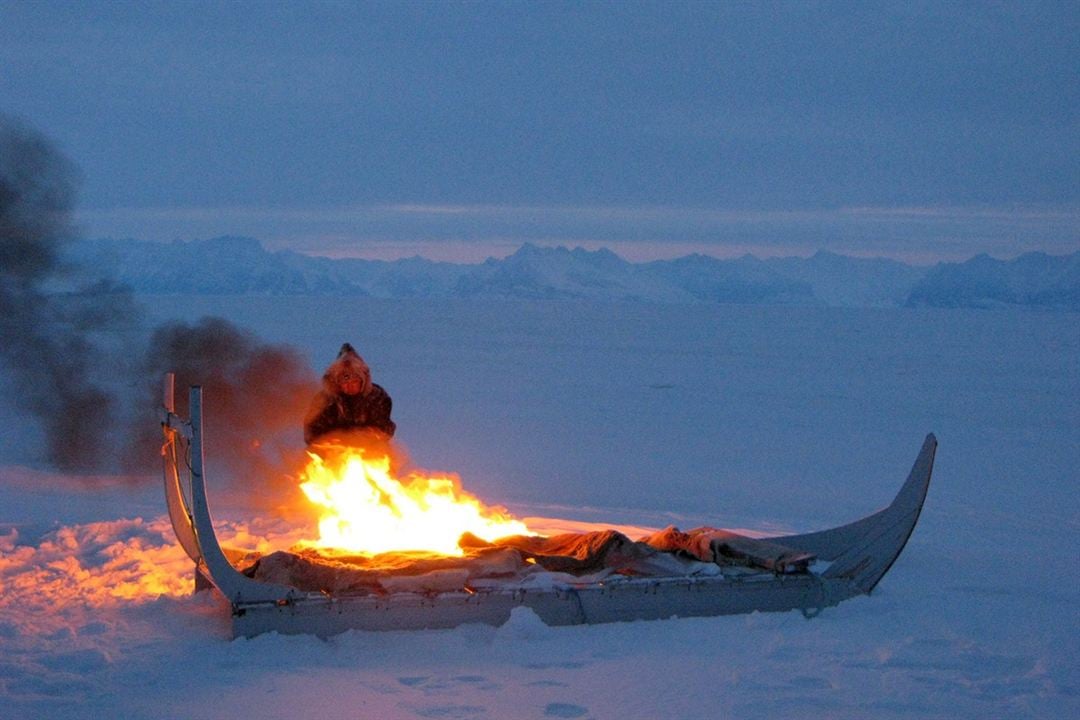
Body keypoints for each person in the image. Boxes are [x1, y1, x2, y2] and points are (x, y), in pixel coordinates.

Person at [304, 343, 396, 445]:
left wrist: (367, 436)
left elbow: (384, 427)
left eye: (354, 382)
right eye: (345, 383)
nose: (350, 386)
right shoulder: (324, 401)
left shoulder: (377, 398)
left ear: (363, 381)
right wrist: (331, 441)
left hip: (368, 451)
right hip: (332, 453)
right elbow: (312, 430)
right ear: (337, 383)